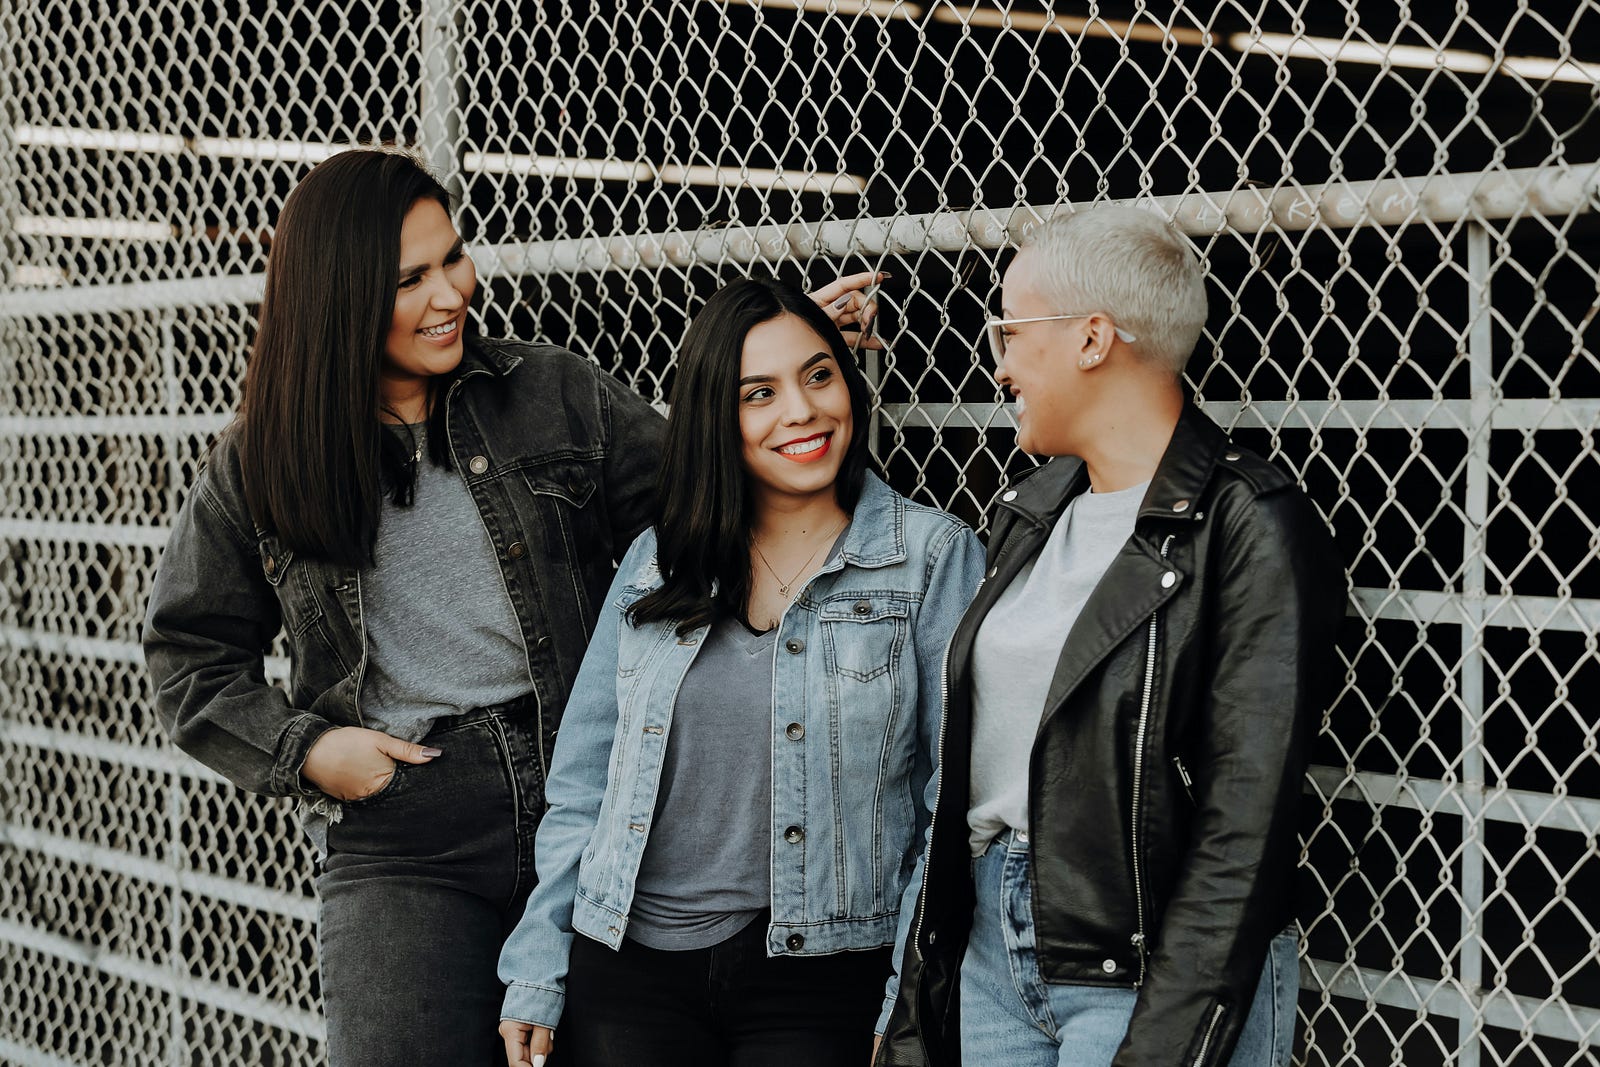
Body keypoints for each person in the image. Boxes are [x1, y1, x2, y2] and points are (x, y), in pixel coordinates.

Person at [142, 147, 883, 1066]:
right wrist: (312, 751)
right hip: (408, 831)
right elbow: (189, 655)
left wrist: (785, 361)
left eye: (453, 256)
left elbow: (702, 506)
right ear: (340, 294)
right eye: (411, 277)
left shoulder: (550, 395)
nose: (453, 290)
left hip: (593, 807)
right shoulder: (259, 459)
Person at [876, 205, 1346, 1067]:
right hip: (991, 944)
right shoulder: (1032, 510)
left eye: (1012, 331)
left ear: (1093, 339)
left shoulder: (1250, 523)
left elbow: (1243, 827)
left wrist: (1169, 1040)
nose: (1002, 363)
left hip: (1145, 964)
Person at [495, 276, 984, 1067]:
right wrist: (537, 965)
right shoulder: (662, 558)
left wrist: (906, 997)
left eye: (819, 375)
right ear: (717, 418)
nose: (802, 411)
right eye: (760, 392)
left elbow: (950, 798)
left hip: (824, 973)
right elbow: (587, 774)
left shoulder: (929, 558)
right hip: (628, 967)